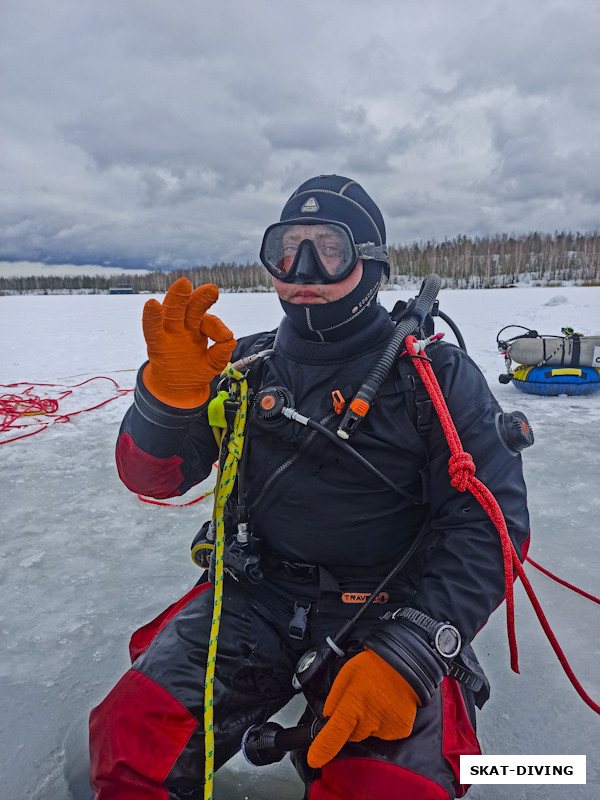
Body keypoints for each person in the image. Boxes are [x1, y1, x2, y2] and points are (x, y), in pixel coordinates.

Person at [89, 175, 530, 799]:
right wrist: (166, 401)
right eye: (286, 247)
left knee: (390, 789)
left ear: (370, 262)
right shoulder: (244, 368)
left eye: (328, 248)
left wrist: (414, 649)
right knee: (129, 741)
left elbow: (490, 524)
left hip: (386, 605)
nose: (303, 268)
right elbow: (151, 478)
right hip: (256, 595)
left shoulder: (432, 376)